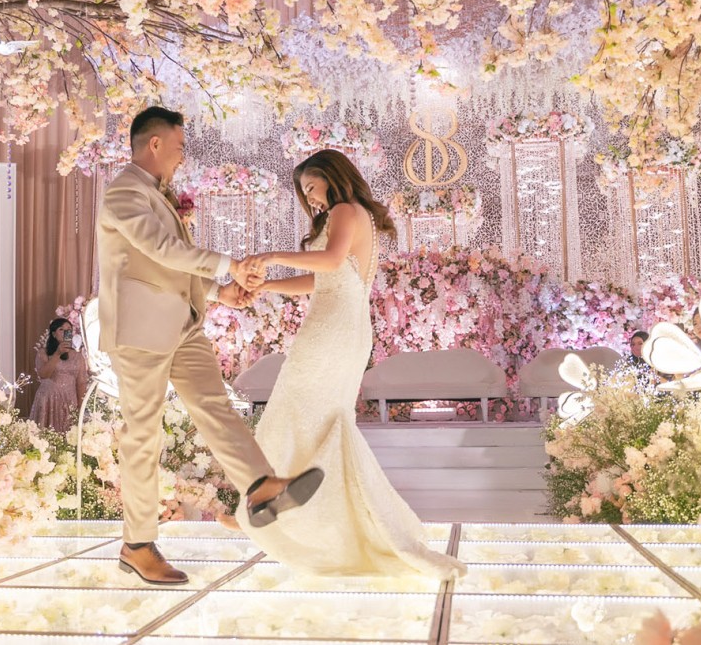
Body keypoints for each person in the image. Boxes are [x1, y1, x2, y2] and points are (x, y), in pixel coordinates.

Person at [96, 106, 321, 585]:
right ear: (154, 144)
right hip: (141, 332)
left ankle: (261, 486)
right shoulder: (124, 192)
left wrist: (222, 293)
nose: (182, 158)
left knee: (217, 406)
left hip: (184, 325)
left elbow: (169, 267)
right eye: (178, 147)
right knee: (144, 435)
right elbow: (161, 250)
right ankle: (138, 545)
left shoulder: (156, 195)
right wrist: (229, 266)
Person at [239, 149, 465, 580]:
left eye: (311, 187)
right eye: (304, 192)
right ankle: (283, 507)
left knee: (291, 407)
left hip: (332, 330)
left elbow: (329, 261)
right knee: (322, 420)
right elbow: (319, 279)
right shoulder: (352, 216)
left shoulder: (346, 210)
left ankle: (265, 502)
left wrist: (269, 257)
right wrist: (267, 286)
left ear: (333, 177)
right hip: (344, 328)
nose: (310, 198)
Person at [29, 318, 89, 433]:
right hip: (48, 399)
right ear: (54, 334)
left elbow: (81, 383)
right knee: (45, 435)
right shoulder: (43, 353)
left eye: (69, 330)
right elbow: (43, 374)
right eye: (61, 329)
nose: (66, 332)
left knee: (68, 435)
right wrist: (57, 353)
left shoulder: (78, 356)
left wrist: (81, 407)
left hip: (69, 400)